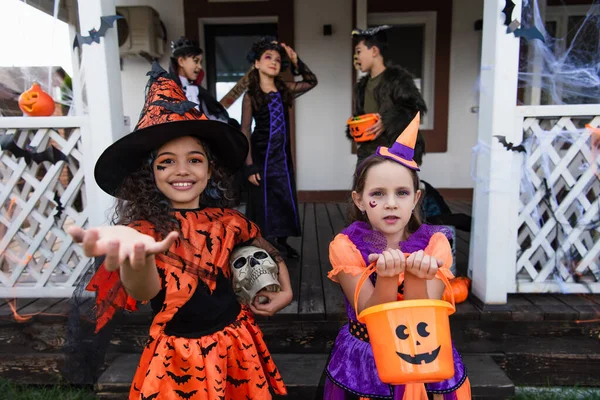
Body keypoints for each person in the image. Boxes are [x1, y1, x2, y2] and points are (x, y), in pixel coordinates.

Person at [67, 62, 292, 399]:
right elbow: (144, 292)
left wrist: (285, 289)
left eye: (194, 159)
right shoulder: (144, 232)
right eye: (166, 161)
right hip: (178, 358)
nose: (182, 170)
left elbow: (268, 249)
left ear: (209, 168)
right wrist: (137, 258)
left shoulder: (229, 221)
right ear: (150, 175)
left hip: (235, 343)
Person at [322, 113, 471, 399]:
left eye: (402, 193)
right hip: (367, 362)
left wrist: (416, 276)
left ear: (416, 198)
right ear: (360, 200)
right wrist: (387, 279)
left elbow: (421, 315)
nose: (391, 204)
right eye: (378, 193)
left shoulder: (435, 245)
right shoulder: (345, 247)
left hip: (425, 357)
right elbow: (369, 316)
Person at [241, 37, 317, 258]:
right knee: (264, 199)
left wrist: (295, 60)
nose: (273, 62)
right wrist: (249, 165)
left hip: (282, 157)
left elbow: (311, 81)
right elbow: (245, 130)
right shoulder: (251, 96)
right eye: (267, 57)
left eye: (277, 59)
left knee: (284, 196)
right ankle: (267, 241)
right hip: (261, 155)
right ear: (256, 63)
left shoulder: (285, 89)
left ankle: (282, 241)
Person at [350, 25, 427, 169]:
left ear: (374, 51)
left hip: (395, 152)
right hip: (368, 152)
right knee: (363, 189)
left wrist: (387, 121)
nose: (357, 57)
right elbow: (362, 117)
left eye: (359, 52)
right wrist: (355, 129)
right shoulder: (361, 87)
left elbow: (415, 108)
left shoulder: (398, 79)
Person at [168, 36, 231, 124]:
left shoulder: (198, 92)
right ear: (181, 61)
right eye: (195, 61)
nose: (200, 66)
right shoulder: (167, 91)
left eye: (200, 62)